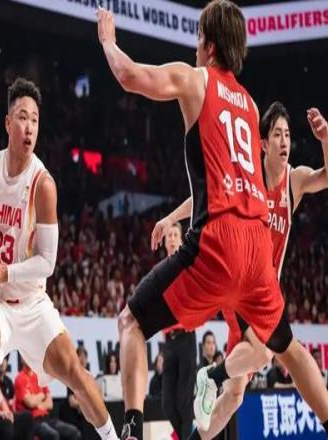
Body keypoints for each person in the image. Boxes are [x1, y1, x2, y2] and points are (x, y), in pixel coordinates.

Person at [96, 3, 328, 439]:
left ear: (210, 44)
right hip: (258, 253)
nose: (195, 45)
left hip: (217, 244)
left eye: (199, 36)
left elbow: (129, 76)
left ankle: (130, 430)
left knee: (132, 322)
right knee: (289, 351)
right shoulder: (251, 106)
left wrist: (109, 42)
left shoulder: (196, 79)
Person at [0, 77, 117, 440]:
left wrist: (4, 272)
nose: (30, 127)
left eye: (35, 120)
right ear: (8, 123)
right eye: (23, 117)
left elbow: (48, 262)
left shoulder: (43, 184)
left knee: (74, 371)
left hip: (32, 302)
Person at [165, 103, 328, 439]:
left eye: (288, 135)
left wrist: (325, 139)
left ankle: (211, 389)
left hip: (265, 294)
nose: (284, 142)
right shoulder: (247, 178)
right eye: (277, 135)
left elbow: (326, 177)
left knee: (234, 397)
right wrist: (171, 218)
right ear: (263, 144)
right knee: (271, 351)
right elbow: (206, 196)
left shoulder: (294, 181)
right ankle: (212, 375)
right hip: (239, 282)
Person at [153, 222, 197, 439]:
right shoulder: (160, 271)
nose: (171, 238)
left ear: (181, 240)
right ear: (164, 242)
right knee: (168, 404)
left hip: (186, 337)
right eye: (168, 235)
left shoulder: (188, 265)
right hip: (169, 342)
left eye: (174, 235)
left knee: (184, 401)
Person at [15, 359, 80, 440]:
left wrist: (36, 403)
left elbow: (50, 404)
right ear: (22, 360)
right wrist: (42, 395)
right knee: (53, 435)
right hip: (33, 421)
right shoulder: (20, 378)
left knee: (74, 432)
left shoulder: (39, 377)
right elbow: (30, 403)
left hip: (47, 418)